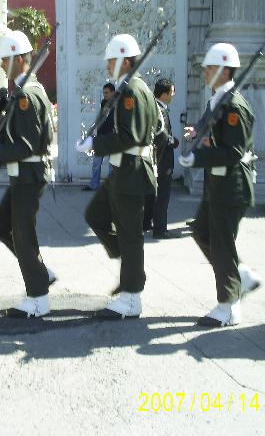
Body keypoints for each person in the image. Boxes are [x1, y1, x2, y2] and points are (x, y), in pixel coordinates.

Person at [178, 42, 260, 328]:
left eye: (209, 68)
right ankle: (239, 276)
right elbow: (210, 124)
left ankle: (228, 307)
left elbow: (234, 151)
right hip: (218, 183)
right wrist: (198, 131)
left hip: (231, 185)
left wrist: (197, 157)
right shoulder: (219, 100)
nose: (204, 72)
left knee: (222, 243)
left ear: (224, 71)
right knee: (202, 231)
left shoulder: (234, 105)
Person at [77, 34, 158, 319]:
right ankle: (131, 270)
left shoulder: (132, 91)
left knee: (131, 235)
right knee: (96, 216)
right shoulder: (136, 88)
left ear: (124, 60)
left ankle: (131, 297)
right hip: (123, 171)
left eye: (111, 60)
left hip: (131, 172)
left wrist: (95, 144)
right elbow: (154, 128)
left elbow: (130, 136)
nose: (108, 66)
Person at [0, 30, 56, 318]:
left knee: (23, 234)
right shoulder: (25, 90)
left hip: (28, 173)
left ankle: (38, 297)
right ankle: (40, 272)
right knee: (3, 224)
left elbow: (25, 145)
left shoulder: (27, 95)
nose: (1, 65)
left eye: (5, 59)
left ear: (20, 60)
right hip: (23, 174)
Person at [143, 78, 179, 237]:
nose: (173, 95)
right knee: (162, 195)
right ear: (164, 94)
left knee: (151, 194)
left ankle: (146, 224)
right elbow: (162, 136)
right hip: (162, 159)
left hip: (154, 158)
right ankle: (160, 229)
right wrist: (175, 141)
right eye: (171, 92)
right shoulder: (160, 110)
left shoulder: (152, 107)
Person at [83, 83, 115, 191]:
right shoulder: (103, 103)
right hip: (101, 137)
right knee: (96, 163)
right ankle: (94, 184)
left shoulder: (118, 104)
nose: (104, 95)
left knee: (112, 164)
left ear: (113, 93)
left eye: (107, 93)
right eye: (103, 92)